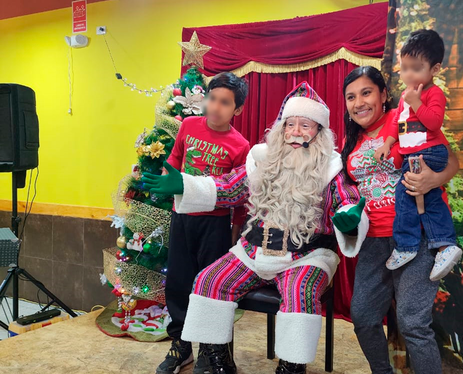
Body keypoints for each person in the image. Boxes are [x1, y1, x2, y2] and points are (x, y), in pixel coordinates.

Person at [144, 81, 369, 374]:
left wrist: (350, 218)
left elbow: (347, 202)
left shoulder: (331, 169)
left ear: (319, 133)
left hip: (306, 256)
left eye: (305, 125)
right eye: (290, 124)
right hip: (253, 249)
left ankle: (291, 365)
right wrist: (186, 184)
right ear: (281, 128)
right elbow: (229, 186)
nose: (296, 132)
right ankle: (218, 359)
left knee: (300, 291)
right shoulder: (263, 160)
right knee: (209, 280)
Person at [342, 66, 459, 374]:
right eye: (351, 97)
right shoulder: (350, 140)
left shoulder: (406, 118)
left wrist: (434, 179)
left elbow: (450, 159)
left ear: (383, 95)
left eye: (366, 93)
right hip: (373, 242)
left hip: (414, 236)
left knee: (412, 322)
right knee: (364, 317)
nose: (358, 103)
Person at [142, 72, 251, 374]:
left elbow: (240, 195)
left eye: (225, 102)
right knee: (178, 283)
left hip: (215, 227)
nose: (215, 106)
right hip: (183, 220)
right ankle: (181, 346)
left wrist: (235, 231)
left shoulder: (241, 146)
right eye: (212, 98)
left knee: (209, 289)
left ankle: (209, 349)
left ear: (237, 109)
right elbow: (174, 162)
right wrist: (167, 186)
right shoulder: (189, 126)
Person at [373, 29, 462, 279]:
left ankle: (421, 245)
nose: (409, 74)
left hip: (429, 153)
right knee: (412, 198)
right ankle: (433, 244)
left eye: (416, 68)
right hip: (412, 155)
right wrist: (387, 144)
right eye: (405, 68)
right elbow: (396, 124)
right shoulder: (405, 96)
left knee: (414, 196)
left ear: (434, 69)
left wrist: (416, 103)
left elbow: (434, 123)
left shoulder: (433, 94)